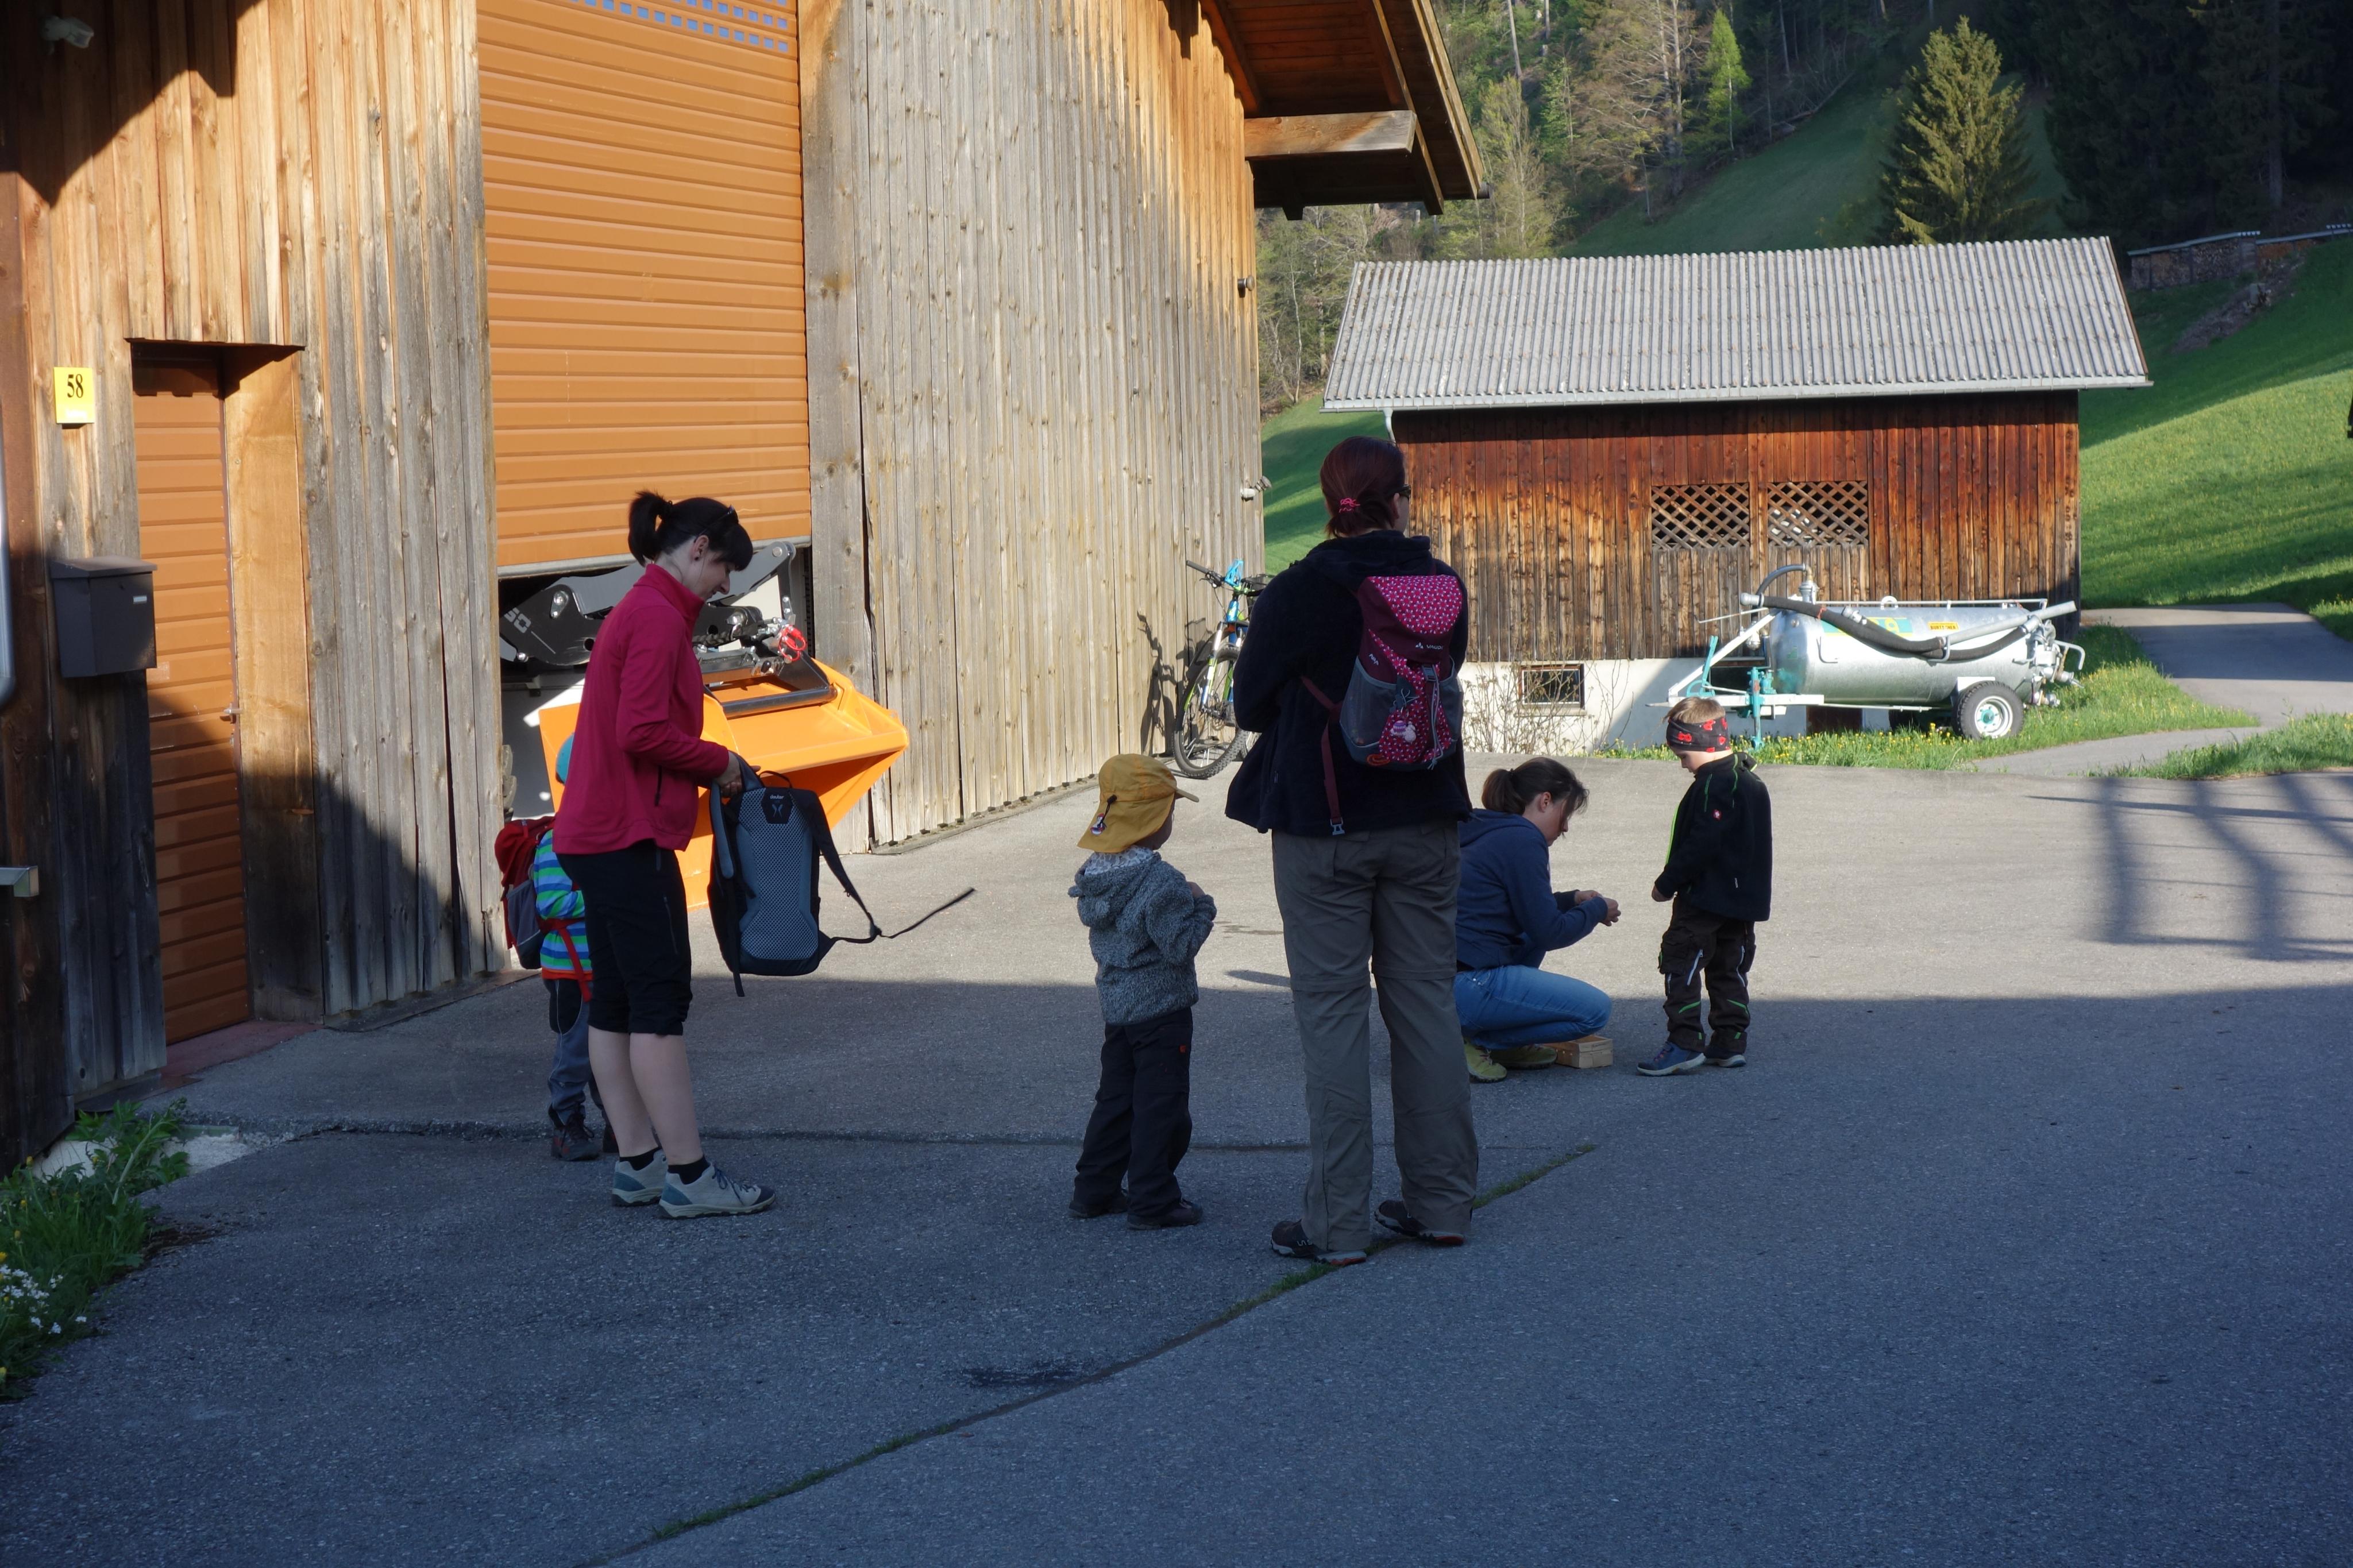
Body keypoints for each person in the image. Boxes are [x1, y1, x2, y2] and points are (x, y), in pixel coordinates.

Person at [1228, 435, 1477, 1266]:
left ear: (1330, 502)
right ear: (1399, 499)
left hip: (1324, 827)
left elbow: (1250, 706)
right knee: (1427, 1007)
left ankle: (1338, 1226)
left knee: (1333, 1018)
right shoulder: (1440, 586)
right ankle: (1442, 1204)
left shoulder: (1299, 590)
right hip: (1427, 819)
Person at [554, 491, 772, 1217]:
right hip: (628, 836)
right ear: (699, 548)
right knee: (657, 1005)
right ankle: (689, 1176)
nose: (725, 587)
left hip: (598, 835)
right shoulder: (653, 618)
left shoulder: (642, 609)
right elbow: (642, 731)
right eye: (725, 571)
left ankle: (640, 1165)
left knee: (615, 1003)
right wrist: (720, 762)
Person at [1068, 755, 1218, 1231]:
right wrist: (1203, 905)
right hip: (1162, 1012)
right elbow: (1180, 946)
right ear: (1154, 820)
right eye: (1170, 811)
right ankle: (1153, 1199)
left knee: (1116, 1100)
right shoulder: (1162, 882)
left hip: (1119, 1007)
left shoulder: (1096, 875)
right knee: (1162, 1107)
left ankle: (1094, 1190)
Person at [1455, 758, 1619, 1084]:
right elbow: (1550, 932)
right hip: (1468, 985)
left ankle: (1478, 1037)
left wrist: (1571, 899)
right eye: (1566, 814)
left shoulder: (1486, 827)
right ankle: (1479, 1042)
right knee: (1595, 1011)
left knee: (1526, 935)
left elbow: (1526, 908)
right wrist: (1597, 910)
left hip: (1438, 981)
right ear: (1545, 801)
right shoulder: (1524, 839)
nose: (1566, 828)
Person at [1640, 696, 1773, 1077]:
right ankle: (1729, 1041)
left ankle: (1684, 1042)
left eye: (1684, 756)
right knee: (1728, 966)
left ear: (1701, 743)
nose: (1683, 765)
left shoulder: (1715, 785)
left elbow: (1701, 844)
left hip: (1704, 898)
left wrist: (1667, 884)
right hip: (1741, 903)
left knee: (1680, 961)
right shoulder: (1750, 781)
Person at [538, 737, 605, 1160]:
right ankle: (565, 1123)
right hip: (571, 971)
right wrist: (606, 894)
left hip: (606, 966)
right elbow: (550, 903)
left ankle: (621, 1125)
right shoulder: (557, 839)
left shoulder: (604, 833)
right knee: (576, 1052)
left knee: (613, 1050)